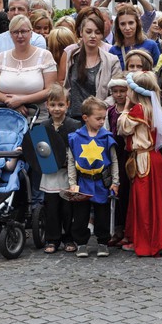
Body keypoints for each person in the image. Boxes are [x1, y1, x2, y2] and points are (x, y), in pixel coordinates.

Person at [117, 71, 162, 257]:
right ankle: (159, 238)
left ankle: (148, 241)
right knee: (156, 200)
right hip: (153, 157)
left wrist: (126, 107)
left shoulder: (139, 109)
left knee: (144, 201)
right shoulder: (153, 108)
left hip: (144, 158)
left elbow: (122, 127)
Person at [66, 96, 120, 258]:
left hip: (101, 183)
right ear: (85, 117)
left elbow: (114, 161)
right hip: (83, 183)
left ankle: (103, 242)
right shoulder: (75, 138)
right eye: (98, 118)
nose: (102, 121)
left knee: (102, 215)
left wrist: (115, 182)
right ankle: (81, 243)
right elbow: (71, 161)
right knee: (80, 216)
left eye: (103, 118)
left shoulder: (107, 137)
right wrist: (72, 183)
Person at [39, 84, 82, 254]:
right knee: (52, 208)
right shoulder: (43, 126)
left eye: (61, 104)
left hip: (67, 175)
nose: (57, 109)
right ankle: (52, 239)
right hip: (50, 175)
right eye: (53, 105)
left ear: (68, 105)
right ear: (47, 106)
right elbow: (38, 150)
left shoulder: (75, 126)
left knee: (67, 208)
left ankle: (69, 238)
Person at [0, 15, 56, 120]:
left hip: (36, 118)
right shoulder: (2, 57)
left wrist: (22, 100)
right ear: (10, 34)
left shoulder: (45, 56)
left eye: (23, 31)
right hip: (5, 118)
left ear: (31, 33)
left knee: (39, 132)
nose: (20, 36)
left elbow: (50, 90)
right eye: (15, 32)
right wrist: (12, 102)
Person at [59, 11, 122, 121]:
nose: (93, 36)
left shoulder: (112, 60)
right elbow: (67, 87)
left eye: (97, 32)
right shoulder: (72, 56)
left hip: (97, 119)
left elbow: (116, 93)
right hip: (72, 118)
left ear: (102, 35)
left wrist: (99, 106)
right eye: (88, 32)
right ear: (81, 33)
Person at [105, 79, 131, 248]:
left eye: (123, 91)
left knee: (128, 191)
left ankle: (129, 228)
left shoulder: (132, 110)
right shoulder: (110, 112)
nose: (119, 94)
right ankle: (118, 228)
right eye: (116, 91)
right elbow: (107, 131)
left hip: (129, 153)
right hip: (115, 153)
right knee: (117, 190)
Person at [109, 3, 161, 69]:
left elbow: (158, 71)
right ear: (118, 26)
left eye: (131, 23)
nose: (127, 28)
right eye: (123, 24)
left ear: (137, 23)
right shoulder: (114, 50)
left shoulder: (151, 45)